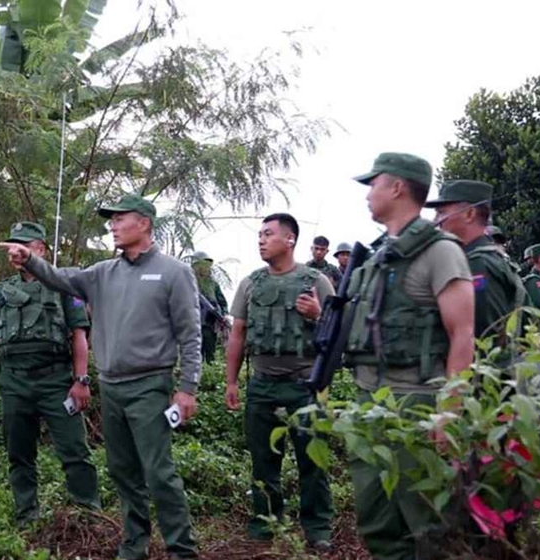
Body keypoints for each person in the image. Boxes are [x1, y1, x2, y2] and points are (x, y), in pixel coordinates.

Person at [0, 193, 200, 560]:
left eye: (120, 219)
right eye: (112, 220)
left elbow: (190, 334)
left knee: (158, 471)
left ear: (144, 222)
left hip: (150, 385)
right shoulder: (103, 273)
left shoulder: (173, 272)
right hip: (111, 385)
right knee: (123, 471)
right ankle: (133, 545)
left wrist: (187, 388)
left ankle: (181, 549)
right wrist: (30, 258)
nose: (113, 225)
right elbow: (58, 278)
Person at [345, 153, 475, 560]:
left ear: (397, 187)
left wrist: (449, 412)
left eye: (374, 184)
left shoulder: (441, 252)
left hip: (418, 401)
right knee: (376, 518)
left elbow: (463, 333)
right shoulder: (380, 255)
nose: (368, 194)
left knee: (428, 521)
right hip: (371, 401)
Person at [0, 221, 100, 524]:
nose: (16, 251)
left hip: (56, 381)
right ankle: (26, 516)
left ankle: (88, 515)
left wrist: (81, 380)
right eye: (13, 245)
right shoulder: (0, 293)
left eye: (24, 245)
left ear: (41, 249)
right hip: (14, 382)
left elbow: (79, 335)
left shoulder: (64, 288)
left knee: (74, 451)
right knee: (19, 454)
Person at [223, 213, 334, 550]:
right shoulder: (250, 283)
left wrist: (319, 315)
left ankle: (317, 529)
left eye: (268, 234)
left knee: (312, 460)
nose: (261, 239)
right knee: (262, 458)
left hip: (305, 385)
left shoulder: (317, 281)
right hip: (261, 385)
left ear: (290, 240)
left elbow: (338, 333)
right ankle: (265, 524)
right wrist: (231, 382)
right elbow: (237, 334)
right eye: (259, 234)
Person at [426, 180, 528, 340]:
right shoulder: (487, 257)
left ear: (469, 214)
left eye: (441, 212)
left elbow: (486, 338)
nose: (435, 221)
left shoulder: (477, 264)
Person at [190, 251, 228, 364]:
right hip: (193, 325)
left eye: (207, 265)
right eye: (202, 265)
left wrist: (224, 315)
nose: (205, 268)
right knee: (195, 356)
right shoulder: (189, 282)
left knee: (210, 355)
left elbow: (222, 302)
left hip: (210, 324)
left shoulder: (213, 284)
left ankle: (210, 375)